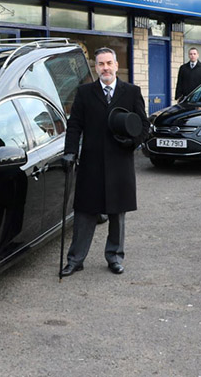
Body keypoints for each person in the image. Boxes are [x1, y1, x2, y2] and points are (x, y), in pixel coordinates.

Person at [60, 47, 148, 277]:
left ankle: (115, 257)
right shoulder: (85, 92)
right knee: (84, 213)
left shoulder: (131, 92)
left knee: (118, 214)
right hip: (91, 163)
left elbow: (143, 126)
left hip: (120, 163)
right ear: (95, 67)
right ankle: (75, 260)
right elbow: (75, 125)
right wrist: (70, 152)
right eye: (101, 64)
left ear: (117, 66)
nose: (105, 68)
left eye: (109, 63)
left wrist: (131, 143)